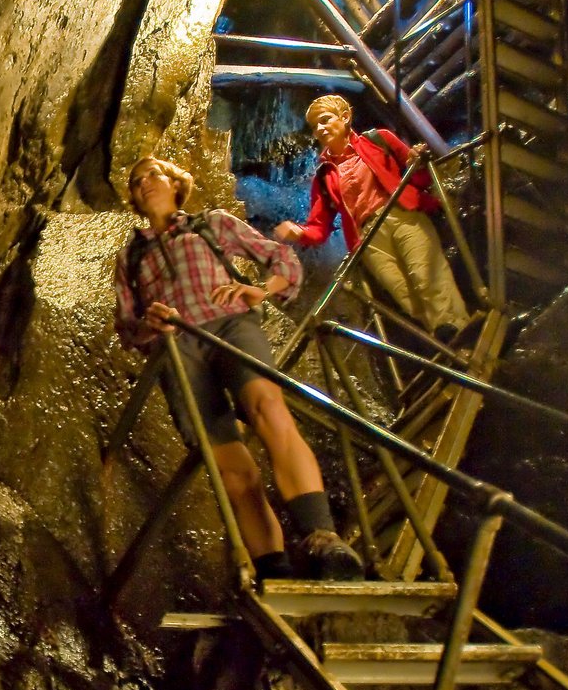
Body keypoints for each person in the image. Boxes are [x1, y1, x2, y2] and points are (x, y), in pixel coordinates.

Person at [113, 154, 364, 581]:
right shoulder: (131, 256)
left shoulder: (212, 223)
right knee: (230, 466)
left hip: (229, 326)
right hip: (175, 350)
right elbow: (126, 325)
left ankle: (322, 538)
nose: (146, 183)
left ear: (176, 182)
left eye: (154, 173)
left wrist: (260, 290)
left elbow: (282, 260)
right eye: (137, 181)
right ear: (135, 198)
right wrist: (146, 325)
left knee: (268, 408)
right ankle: (275, 569)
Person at [274, 95, 471, 340]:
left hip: (400, 214)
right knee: (403, 292)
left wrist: (418, 160)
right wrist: (299, 232)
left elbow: (418, 177)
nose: (320, 129)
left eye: (325, 120)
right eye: (315, 126)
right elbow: (319, 227)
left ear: (345, 117)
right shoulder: (324, 176)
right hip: (368, 238)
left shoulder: (378, 139)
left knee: (426, 274)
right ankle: (448, 334)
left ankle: (457, 327)